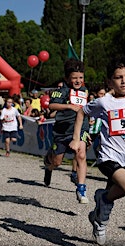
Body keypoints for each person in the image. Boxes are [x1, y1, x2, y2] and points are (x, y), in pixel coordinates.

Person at [70, 55, 125, 245]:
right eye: (119, 77)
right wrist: (76, 139)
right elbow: (81, 112)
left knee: (111, 195)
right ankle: (101, 199)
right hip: (108, 157)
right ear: (111, 80)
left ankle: (99, 221)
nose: (124, 81)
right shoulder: (104, 102)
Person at [43, 58, 90, 204]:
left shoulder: (84, 90)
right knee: (57, 162)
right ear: (67, 78)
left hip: (80, 128)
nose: (78, 81)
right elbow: (52, 106)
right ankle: (48, 167)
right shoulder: (61, 91)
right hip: (62, 131)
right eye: (74, 78)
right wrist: (69, 107)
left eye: (81, 78)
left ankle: (81, 189)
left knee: (81, 154)